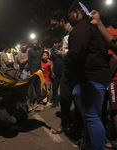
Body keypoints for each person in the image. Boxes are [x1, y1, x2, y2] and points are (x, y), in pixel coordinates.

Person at [58, 1, 111, 149]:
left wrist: (64, 55)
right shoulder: (93, 26)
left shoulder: (81, 28)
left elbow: (75, 53)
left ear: (77, 12)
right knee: (94, 117)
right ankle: (89, 143)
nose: (69, 19)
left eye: (70, 15)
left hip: (88, 79)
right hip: (98, 78)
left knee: (92, 118)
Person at [50, 9, 75, 134]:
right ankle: (65, 124)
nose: (52, 28)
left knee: (77, 99)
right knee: (64, 98)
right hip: (66, 70)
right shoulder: (63, 34)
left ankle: (78, 127)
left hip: (75, 71)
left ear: (62, 21)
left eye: (54, 25)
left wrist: (63, 55)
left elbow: (75, 52)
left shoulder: (74, 31)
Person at [99, 10, 117, 149]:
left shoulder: (110, 36)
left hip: (113, 79)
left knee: (114, 109)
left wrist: (109, 77)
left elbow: (114, 58)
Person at [28, 39, 44, 111]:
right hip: (32, 70)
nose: (34, 45)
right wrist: (29, 71)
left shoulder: (42, 50)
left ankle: (38, 100)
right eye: (33, 44)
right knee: (31, 87)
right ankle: (31, 101)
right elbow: (29, 61)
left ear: (38, 44)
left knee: (38, 86)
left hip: (39, 70)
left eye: (35, 44)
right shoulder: (30, 51)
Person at [50, 37, 64, 108]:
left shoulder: (64, 51)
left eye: (55, 43)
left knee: (63, 89)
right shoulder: (53, 53)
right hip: (55, 73)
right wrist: (52, 72)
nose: (54, 44)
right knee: (55, 88)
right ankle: (55, 101)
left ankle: (64, 102)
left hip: (64, 73)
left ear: (60, 43)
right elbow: (51, 62)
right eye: (53, 43)